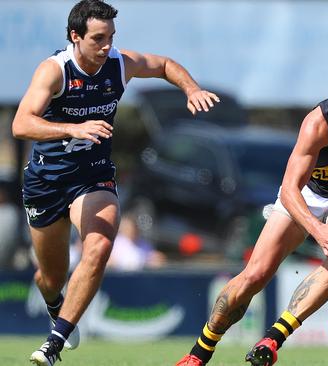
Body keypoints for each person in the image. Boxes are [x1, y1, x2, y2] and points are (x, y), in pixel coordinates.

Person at [12, 1, 219, 365]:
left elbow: (165, 65)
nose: (106, 46)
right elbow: (21, 124)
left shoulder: (119, 64)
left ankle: (53, 343)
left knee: (99, 245)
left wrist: (191, 89)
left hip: (93, 177)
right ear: (75, 36)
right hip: (46, 182)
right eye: (97, 39)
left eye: (110, 37)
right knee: (49, 276)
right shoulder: (54, 71)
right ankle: (55, 305)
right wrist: (73, 128)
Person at [175, 73, 328, 366]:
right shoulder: (318, 123)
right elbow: (290, 188)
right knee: (255, 275)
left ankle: (273, 339)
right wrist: (317, 229)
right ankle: (199, 353)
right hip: (307, 194)